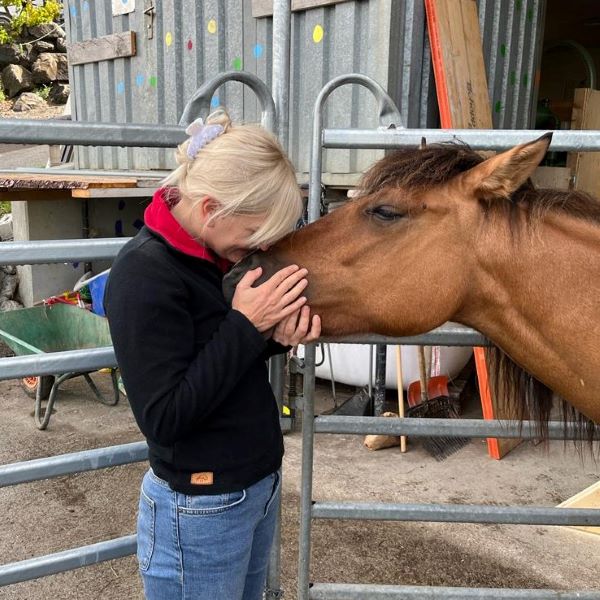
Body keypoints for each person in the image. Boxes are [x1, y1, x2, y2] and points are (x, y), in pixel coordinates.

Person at [105, 109, 321, 600]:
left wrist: (276, 335)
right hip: (199, 507)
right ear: (210, 209)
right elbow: (164, 416)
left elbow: (220, 358)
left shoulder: (213, 253)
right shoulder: (143, 275)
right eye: (255, 233)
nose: (262, 247)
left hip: (254, 488)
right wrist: (247, 325)